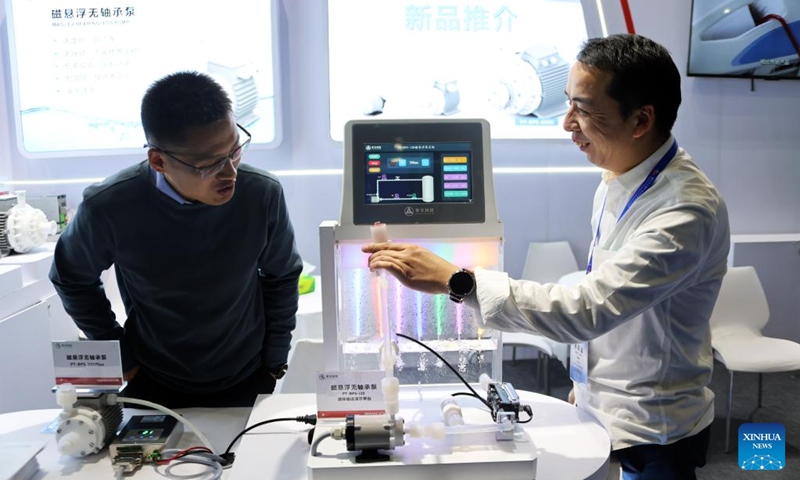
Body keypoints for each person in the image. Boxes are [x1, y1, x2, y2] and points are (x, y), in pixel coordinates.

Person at [363, 34, 729, 480]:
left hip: (655, 430)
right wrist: (584, 384)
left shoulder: (683, 211)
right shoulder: (620, 176)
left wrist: (457, 280)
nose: (567, 123)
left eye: (584, 109)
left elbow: (589, 308)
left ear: (641, 120)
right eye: (567, 104)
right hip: (606, 405)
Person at [50, 71, 303, 408]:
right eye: (210, 164)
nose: (230, 172)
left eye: (235, 150)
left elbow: (282, 275)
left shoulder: (262, 194)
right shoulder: (110, 205)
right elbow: (70, 276)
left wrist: (274, 363)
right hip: (153, 380)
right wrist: (122, 358)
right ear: (158, 160)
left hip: (247, 375)